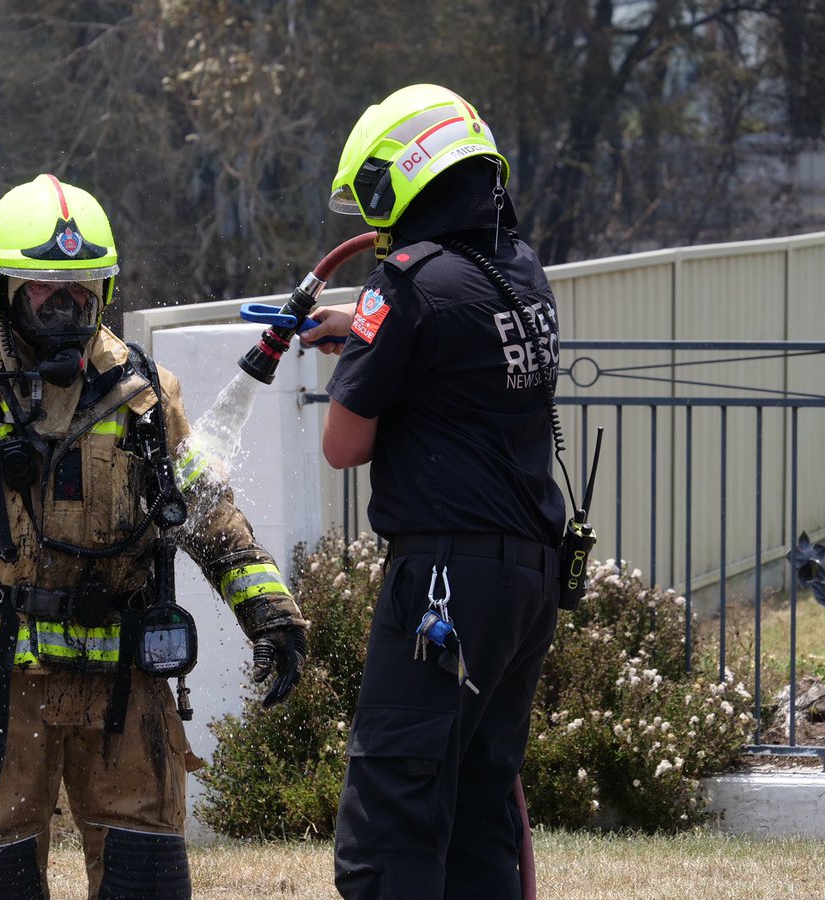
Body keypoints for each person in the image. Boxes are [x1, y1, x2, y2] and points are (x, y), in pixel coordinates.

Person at [0, 174, 308, 900]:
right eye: (45, 287)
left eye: (84, 287)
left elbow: (211, 516)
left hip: (127, 690)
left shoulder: (146, 393)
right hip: (1, 692)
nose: (68, 304)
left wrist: (270, 613)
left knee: (147, 886)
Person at [300, 84, 565, 899]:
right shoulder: (522, 272)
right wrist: (371, 329)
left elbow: (344, 446)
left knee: (396, 807)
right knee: (481, 805)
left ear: (404, 181)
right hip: (525, 580)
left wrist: (368, 336)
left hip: (441, 584)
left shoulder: (403, 285)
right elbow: (460, 350)